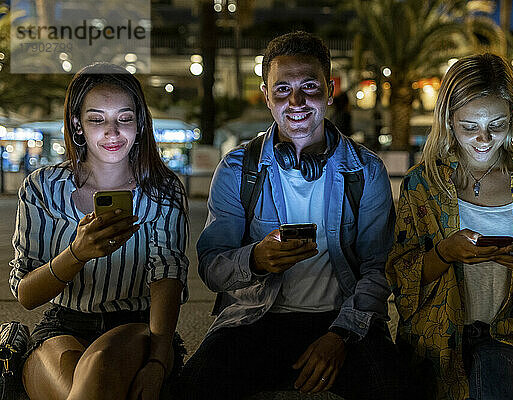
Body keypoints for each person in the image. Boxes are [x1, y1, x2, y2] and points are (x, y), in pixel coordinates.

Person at [177, 31, 411, 400]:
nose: (297, 101)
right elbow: (211, 266)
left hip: (344, 319)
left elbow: (377, 268)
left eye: (310, 87)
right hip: (255, 317)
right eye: (282, 89)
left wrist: (339, 336)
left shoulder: (365, 170)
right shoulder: (239, 169)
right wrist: (255, 258)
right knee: (190, 390)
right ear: (267, 95)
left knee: (395, 390)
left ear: (330, 91)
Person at [385, 53, 513, 400]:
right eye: (469, 127)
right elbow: (400, 278)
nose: (484, 139)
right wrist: (445, 252)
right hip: (435, 340)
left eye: (497, 125)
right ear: (448, 120)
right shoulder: (423, 185)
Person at [8, 63, 189, 400]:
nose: (112, 132)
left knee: (101, 368)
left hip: (136, 327)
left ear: (140, 123)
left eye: (124, 118)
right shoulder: (42, 188)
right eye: (96, 119)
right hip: (63, 325)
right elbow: (27, 294)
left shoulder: (162, 190)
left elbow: (169, 275)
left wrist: (158, 361)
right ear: (77, 125)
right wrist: (76, 253)